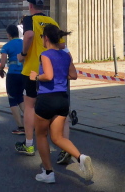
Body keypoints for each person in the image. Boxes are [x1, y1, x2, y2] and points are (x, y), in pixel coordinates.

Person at [30, 24, 93, 183]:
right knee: (57, 137)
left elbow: (48, 76)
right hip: (62, 99)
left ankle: (48, 173)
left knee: (41, 135)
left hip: (46, 99)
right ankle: (81, 157)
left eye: (42, 37)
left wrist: (36, 76)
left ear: (46, 38)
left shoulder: (45, 54)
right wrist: (60, 74)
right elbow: (73, 75)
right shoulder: (65, 55)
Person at [16, 0, 63, 156]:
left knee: (29, 106)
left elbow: (29, 35)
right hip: (52, 69)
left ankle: (29, 144)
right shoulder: (52, 21)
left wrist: (23, 53)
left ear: (30, 6)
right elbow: (62, 44)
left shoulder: (29, 19)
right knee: (55, 106)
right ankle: (63, 146)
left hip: (33, 70)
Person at [0, 24, 25, 135]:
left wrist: (0, 70)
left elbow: (2, 63)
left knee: (12, 99)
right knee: (21, 98)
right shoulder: (24, 43)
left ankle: (20, 126)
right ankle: (31, 122)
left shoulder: (6, 46)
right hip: (24, 73)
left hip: (13, 74)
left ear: (8, 34)